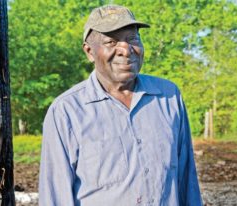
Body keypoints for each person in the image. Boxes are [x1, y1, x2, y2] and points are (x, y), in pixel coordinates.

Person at [39, 4, 202, 206]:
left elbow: (187, 180)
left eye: (132, 39)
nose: (125, 50)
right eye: (111, 41)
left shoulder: (168, 97)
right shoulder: (66, 111)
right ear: (89, 52)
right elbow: (55, 196)